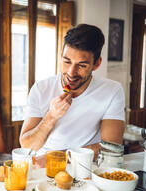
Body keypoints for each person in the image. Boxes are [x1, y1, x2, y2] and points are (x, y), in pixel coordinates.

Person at [19, 24, 125, 162]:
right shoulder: (41, 89)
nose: (71, 72)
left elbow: (111, 147)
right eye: (67, 61)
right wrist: (51, 117)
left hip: (85, 167)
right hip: (41, 168)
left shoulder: (112, 90)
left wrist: (58, 158)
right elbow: (27, 146)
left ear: (97, 64)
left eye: (82, 65)